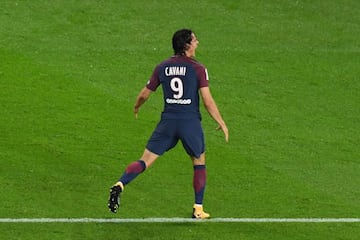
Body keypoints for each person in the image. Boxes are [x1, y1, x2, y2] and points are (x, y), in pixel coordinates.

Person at [108, 29, 228, 219]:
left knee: (145, 160)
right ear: (187, 45)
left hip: (168, 122)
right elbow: (207, 100)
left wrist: (137, 106)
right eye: (195, 40)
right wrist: (221, 121)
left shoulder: (162, 67)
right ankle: (198, 208)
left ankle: (120, 184)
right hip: (189, 122)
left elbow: (144, 94)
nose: (198, 43)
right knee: (199, 162)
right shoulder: (198, 68)